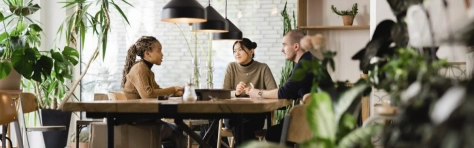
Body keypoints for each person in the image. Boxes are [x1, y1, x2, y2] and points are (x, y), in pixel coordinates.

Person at [246, 30, 335, 145]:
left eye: (284, 45)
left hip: (320, 122)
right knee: (278, 129)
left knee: (272, 133)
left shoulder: (305, 64)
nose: (282, 49)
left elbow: (285, 92)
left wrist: (258, 93)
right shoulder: (307, 61)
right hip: (321, 119)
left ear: (296, 46)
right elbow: (293, 91)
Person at [121, 36, 186, 148]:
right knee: (178, 133)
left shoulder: (147, 71)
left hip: (144, 119)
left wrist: (175, 92)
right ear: (147, 54)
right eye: (159, 51)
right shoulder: (140, 69)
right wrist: (173, 89)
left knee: (179, 130)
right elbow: (147, 95)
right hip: (137, 122)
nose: (162, 54)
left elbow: (157, 91)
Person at [223, 38, 278, 145]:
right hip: (233, 114)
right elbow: (224, 93)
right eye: (234, 51)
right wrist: (236, 93)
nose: (236, 54)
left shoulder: (262, 68)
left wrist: (256, 92)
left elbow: (274, 92)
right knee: (240, 127)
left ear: (251, 51)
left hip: (254, 115)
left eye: (240, 50)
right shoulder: (231, 67)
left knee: (241, 128)